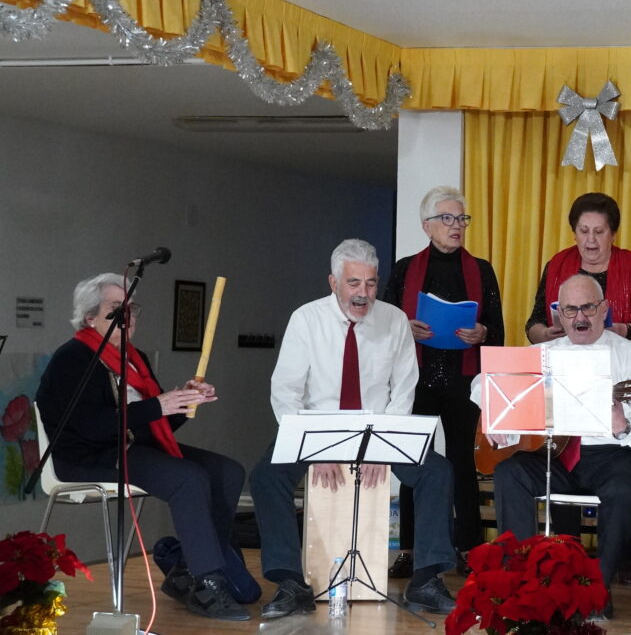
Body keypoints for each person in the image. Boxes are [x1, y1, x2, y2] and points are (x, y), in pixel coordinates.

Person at [250, 239, 457, 618]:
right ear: (333, 282)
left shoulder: (394, 320)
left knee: (438, 472)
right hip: (316, 428)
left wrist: (386, 446)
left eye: (371, 283)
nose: (364, 293)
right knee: (266, 477)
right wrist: (316, 451)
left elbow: (404, 386)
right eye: (354, 283)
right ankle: (290, 582)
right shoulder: (306, 319)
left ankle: (426, 580)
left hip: (379, 429)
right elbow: (285, 391)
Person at [36, 273, 255, 621]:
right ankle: (208, 584)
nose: (129, 317)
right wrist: (159, 405)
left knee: (228, 472)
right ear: (90, 317)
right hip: (89, 456)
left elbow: (155, 426)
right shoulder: (73, 358)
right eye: (116, 310)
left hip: (134, 448)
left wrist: (183, 402)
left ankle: (186, 572)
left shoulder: (133, 358)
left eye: (132, 308)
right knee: (188, 478)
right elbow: (91, 425)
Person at [480, 274, 631, 619]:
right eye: (570, 309)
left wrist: (624, 425)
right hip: (553, 454)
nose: (580, 318)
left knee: (624, 487)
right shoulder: (541, 353)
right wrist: (492, 413)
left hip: (611, 455)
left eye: (588, 307)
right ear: (558, 315)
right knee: (509, 472)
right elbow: (482, 382)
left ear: (604, 308)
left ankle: (597, 592)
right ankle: (522, 582)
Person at [383, 186, 503, 576]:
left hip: (463, 378)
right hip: (416, 378)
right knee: (414, 462)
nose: (457, 226)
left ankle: (470, 549)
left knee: (462, 464)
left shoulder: (480, 269)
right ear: (427, 226)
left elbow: (497, 330)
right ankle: (412, 549)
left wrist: (482, 332)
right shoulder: (405, 268)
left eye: (462, 219)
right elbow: (383, 326)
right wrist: (406, 328)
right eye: (448, 219)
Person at [526, 192, 631, 349]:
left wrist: (621, 331)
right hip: (563, 363)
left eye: (598, 232)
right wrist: (545, 335)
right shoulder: (556, 265)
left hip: (620, 364)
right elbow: (534, 325)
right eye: (584, 231)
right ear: (574, 233)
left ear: (613, 235)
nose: (591, 239)